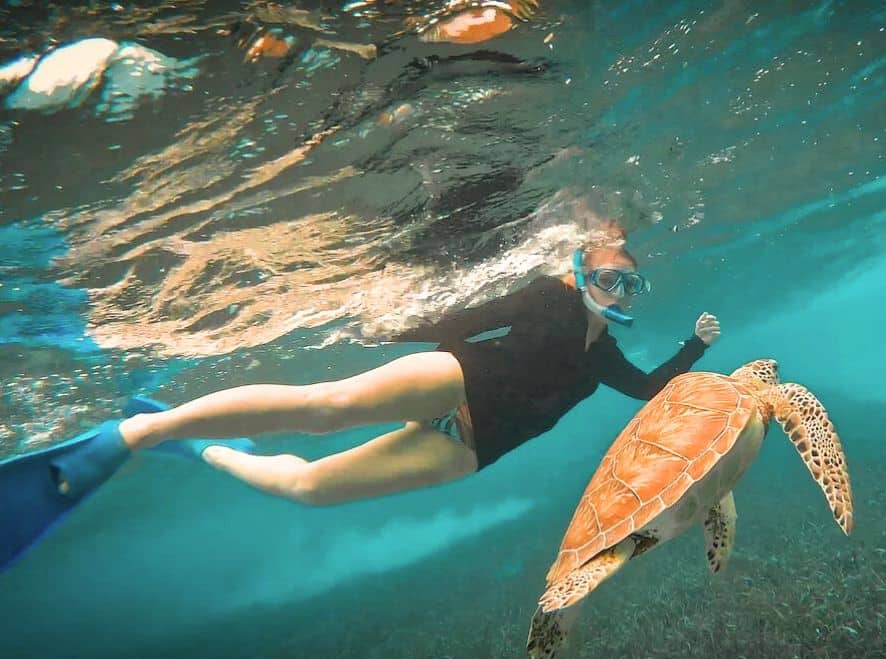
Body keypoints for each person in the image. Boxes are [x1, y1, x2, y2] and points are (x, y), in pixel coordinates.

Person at [0, 231, 720, 568]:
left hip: (476, 446)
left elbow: (653, 391)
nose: (616, 291)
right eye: (605, 276)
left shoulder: (606, 358)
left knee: (313, 489)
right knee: (325, 407)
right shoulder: (546, 298)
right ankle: (135, 435)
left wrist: (696, 347)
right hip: (459, 380)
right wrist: (387, 327)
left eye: (628, 284)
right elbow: (463, 322)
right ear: (577, 272)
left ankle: (204, 447)